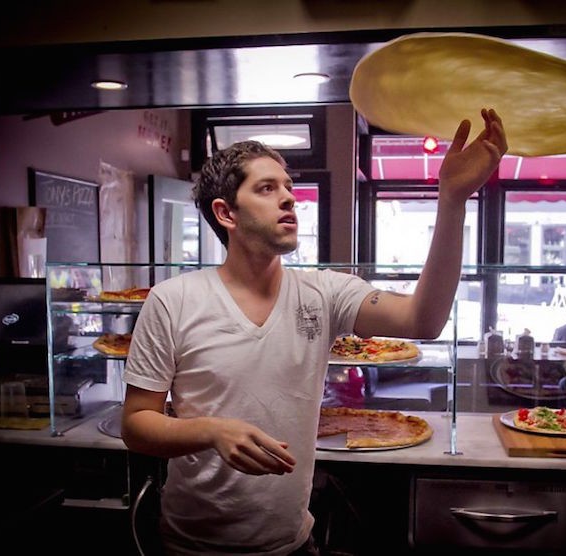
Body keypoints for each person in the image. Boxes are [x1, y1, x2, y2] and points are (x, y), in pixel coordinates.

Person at [121, 108, 507, 555]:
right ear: (226, 213)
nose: (289, 198)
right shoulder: (172, 299)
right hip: (191, 546)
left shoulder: (323, 292)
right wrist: (212, 431)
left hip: (293, 543)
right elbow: (137, 424)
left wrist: (453, 200)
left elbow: (424, 320)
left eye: (288, 186)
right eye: (267, 188)